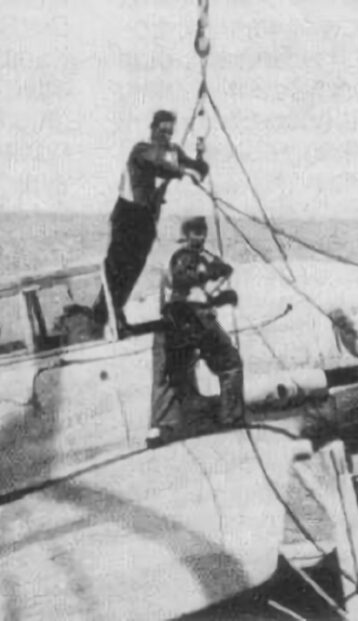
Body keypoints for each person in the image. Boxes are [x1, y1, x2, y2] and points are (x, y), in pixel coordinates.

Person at [96, 110, 210, 329]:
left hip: (147, 221)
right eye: (163, 129)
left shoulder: (173, 151)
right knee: (117, 267)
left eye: (170, 131)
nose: (167, 134)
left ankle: (116, 313)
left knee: (135, 268)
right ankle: (101, 316)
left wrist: (199, 160)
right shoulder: (141, 150)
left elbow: (196, 170)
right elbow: (161, 163)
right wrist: (185, 169)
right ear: (153, 128)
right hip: (128, 217)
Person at [153, 216, 243, 440]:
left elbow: (191, 291)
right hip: (193, 320)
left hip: (177, 323)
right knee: (230, 363)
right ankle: (231, 417)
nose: (201, 237)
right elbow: (184, 280)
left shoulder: (181, 257)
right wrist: (211, 272)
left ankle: (168, 426)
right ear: (186, 234)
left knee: (174, 375)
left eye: (203, 232)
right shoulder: (184, 257)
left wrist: (222, 295)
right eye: (195, 232)